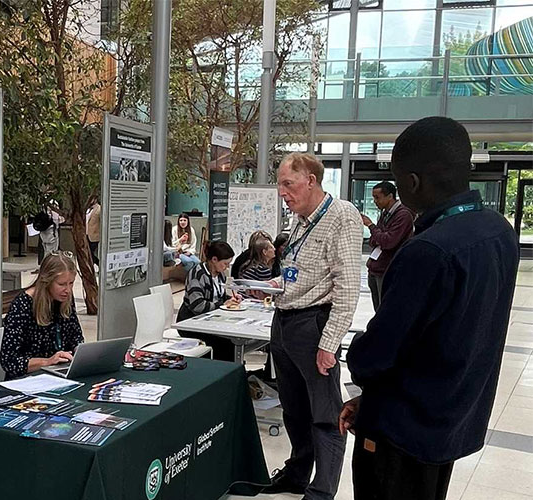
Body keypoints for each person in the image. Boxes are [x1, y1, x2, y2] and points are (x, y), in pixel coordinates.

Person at [340, 117, 520, 500]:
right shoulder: (498, 230)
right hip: (451, 419)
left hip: (402, 433)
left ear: (413, 182)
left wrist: (355, 357)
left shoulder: (428, 251)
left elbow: (380, 352)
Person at [260, 152, 362, 500]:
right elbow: (300, 273)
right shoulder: (300, 220)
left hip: (313, 324)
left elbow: (348, 287)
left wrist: (329, 343)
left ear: (311, 181)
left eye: (288, 184)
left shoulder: (341, 216)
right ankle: (297, 474)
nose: (282, 193)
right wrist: (271, 287)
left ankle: (322, 491)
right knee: (293, 409)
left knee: (324, 414)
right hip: (285, 320)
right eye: (280, 186)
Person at [0, 252, 84, 380]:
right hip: (28, 379)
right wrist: (47, 362)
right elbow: (9, 361)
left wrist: (80, 351)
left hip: (59, 374)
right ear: (46, 281)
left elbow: (76, 336)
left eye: (71, 283)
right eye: (61, 284)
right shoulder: (23, 305)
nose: (67, 290)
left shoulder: (65, 300)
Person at [176, 240, 243, 361]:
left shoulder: (220, 274)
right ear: (214, 259)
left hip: (211, 320)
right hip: (191, 322)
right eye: (225, 263)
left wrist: (231, 299)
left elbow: (219, 297)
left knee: (232, 339)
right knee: (225, 344)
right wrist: (222, 305)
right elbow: (197, 305)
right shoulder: (197, 274)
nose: (227, 267)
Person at [361, 181, 415, 309]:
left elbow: (388, 241)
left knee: (385, 308)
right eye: (373, 197)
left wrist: (370, 225)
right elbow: (374, 241)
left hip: (387, 269)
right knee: (377, 306)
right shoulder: (385, 213)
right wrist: (378, 235)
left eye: (377, 197)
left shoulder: (403, 215)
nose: (374, 201)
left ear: (390, 196)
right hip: (375, 267)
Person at [86, 195, 101, 266]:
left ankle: (99, 264)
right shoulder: (88, 209)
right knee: (87, 253)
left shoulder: (99, 209)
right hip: (86, 234)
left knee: (91, 253)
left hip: (94, 235)